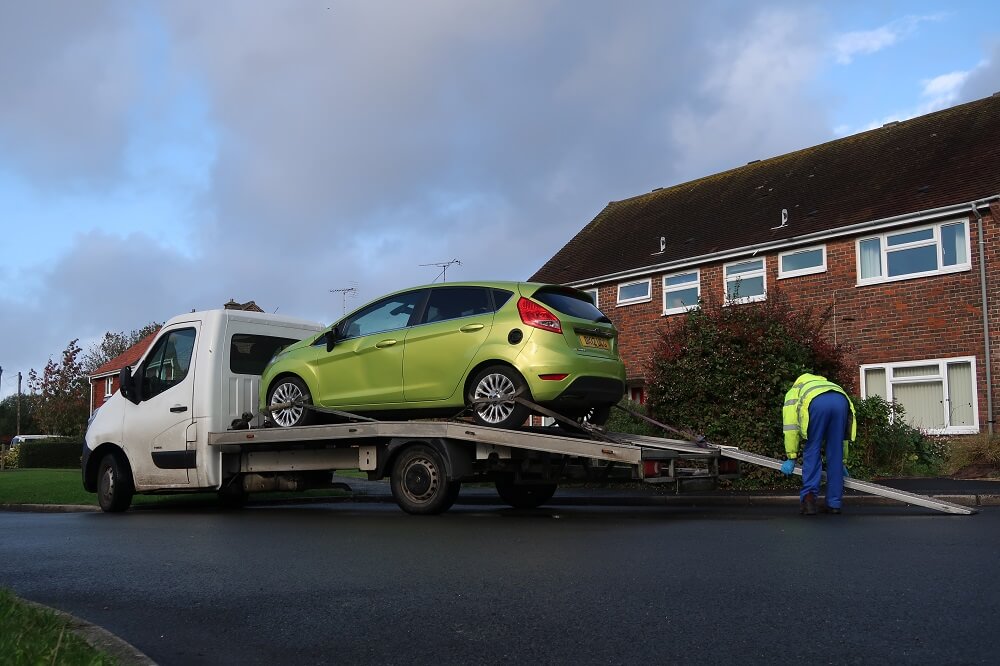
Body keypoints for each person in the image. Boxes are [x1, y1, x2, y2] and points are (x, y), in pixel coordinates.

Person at [779, 372, 856, 515]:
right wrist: (843, 460)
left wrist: (791, 456)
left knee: (813, 448)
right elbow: (843, 438)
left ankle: (809, 501)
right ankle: (834, 504)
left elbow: (790, 427)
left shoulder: (795, 391)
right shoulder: (829, 385)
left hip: (816, 404)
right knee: (835, 451)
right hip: (842, 401)